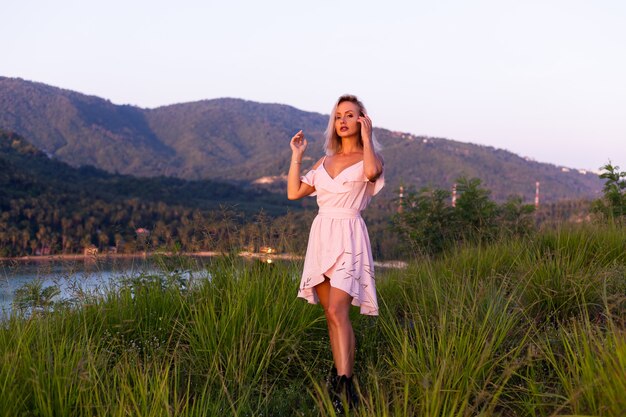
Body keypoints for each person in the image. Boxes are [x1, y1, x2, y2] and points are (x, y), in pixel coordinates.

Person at [287, 94, 384, 410]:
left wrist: (367, 138)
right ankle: (341, 376)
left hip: (349, 236)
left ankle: (344, 388)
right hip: (322, 236)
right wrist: (297, 155)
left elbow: (371, 173)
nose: (343, 120)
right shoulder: (323, 161)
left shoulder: (368, 159)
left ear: (361, 120)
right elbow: (293, 192)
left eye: (350, 115)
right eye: (338, 115)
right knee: (331, 315)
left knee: (338, 312)